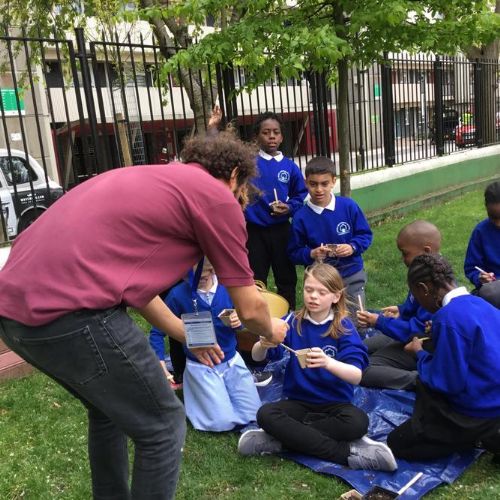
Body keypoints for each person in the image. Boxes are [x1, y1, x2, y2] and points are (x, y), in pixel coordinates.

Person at [0, 131, 288, 500]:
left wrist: (187, 335)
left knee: (109, 412)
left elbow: (136, 287)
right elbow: (249, 307)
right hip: (74, 313)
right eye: (242, 190)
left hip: (14, 315)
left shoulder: (152, 180)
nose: (240, 200)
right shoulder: (216, 196)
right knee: (163, 425)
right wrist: (271, 329)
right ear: (234, 174)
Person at [237, 263, 398, 472]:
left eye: (322, 292)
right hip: (298, 403)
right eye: (309, 290)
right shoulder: (292, 322)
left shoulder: (344, 328)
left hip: (335, 405)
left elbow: (356, 376)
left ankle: (281, 439)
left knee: (358, 423)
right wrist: (263, 344)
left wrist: (328, 363)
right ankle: (346, 454)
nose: (313, 296)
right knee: (265, 414)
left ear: (336, 296)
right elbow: (258, 358)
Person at [387, 253, 500, 461]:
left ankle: (477, 436)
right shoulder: (482, 304)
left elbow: (448, 382)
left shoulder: (448, 318)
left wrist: (419, 353)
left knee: (397, 442)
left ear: (424, 288)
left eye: (417, 296)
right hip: (495, 397)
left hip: (476, 411)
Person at [150, 258, 262, 431]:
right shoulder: (178, 295)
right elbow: (157, 331)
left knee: (253, 413)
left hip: (231, 360)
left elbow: (249, 319)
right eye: (191, 277)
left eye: (203, 276)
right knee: (221, 422)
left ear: (214, 270)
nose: (197, 281)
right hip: (201, 366)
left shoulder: (228, 288)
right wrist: (160, 363)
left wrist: (239, 320)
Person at [357, 220, 440, 390]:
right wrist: (401, 310)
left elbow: (415, 331)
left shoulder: (433, 288)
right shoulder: (423, 275)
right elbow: (413, 309)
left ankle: (422, 380)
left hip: (422, 344)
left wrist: (378, 322)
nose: (402, 259)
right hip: (406, 333)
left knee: (364, 368)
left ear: (426, 251)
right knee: (358, 349)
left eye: (405, 253)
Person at [287, 156, 372, 312]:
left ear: (333, 181)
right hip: (320, 281)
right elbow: (293, 252)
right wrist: (311, 253)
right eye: (313, 184)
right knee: (323, 320)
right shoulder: (300, 217)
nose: (319, 189)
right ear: (306, 183)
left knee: (354, 319)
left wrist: (352, 247)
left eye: (324, 184)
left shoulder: (348, 206)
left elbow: (365, 235)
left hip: (351, 274)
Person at [244, 111, 308, 310]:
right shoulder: (249, 164)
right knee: (256, 279)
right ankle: (259, 320)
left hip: (281, 230)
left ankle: (288, 316)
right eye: (266, 132)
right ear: (257, 137)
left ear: (281, 137)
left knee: (286, 277)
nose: (271, 136)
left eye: (276, 132)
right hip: (254, 231)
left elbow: (300, 195)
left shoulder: (289, 167)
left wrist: (289, 208)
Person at [464, 180, 500, 309]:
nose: (498, 224)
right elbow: (471, 267)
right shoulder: (481, 232)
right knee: (488, 293)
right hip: (494, 288)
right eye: (493, 217)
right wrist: (480, 277)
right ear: (486, 208)